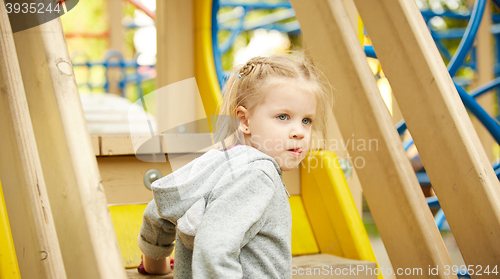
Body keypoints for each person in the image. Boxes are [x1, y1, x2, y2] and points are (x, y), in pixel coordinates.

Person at [137, 54, 331, 278]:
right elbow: (212, 249)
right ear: (244, 120)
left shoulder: (216, 161)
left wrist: (154, 264)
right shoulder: (258, 175)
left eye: (306, 120)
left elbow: (159, 208)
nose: (298, 132)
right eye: (283, 117)